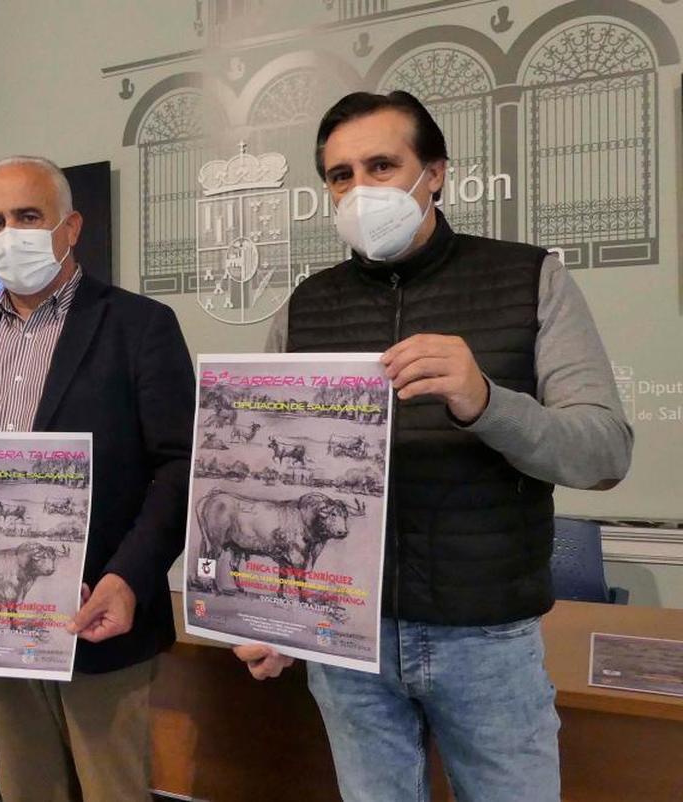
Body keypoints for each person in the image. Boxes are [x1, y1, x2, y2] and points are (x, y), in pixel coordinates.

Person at [235, 92, 633, 802]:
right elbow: (267, 479)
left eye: (382, 165)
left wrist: (486, 401)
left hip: (486, 641)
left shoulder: (529, 279)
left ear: (436, 173)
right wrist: (270, 614)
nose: (361, 190)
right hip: (345, 642)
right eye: (341, 175)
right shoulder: (304, 306)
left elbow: (604, 454)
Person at [0, 155, 194, 802]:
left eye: (27, 216)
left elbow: (180, 467)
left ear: (71, 226)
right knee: (26, 784)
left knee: (111, 786)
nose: (9, 234)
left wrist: (128, 579)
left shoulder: (139, 326)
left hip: (100, 610)